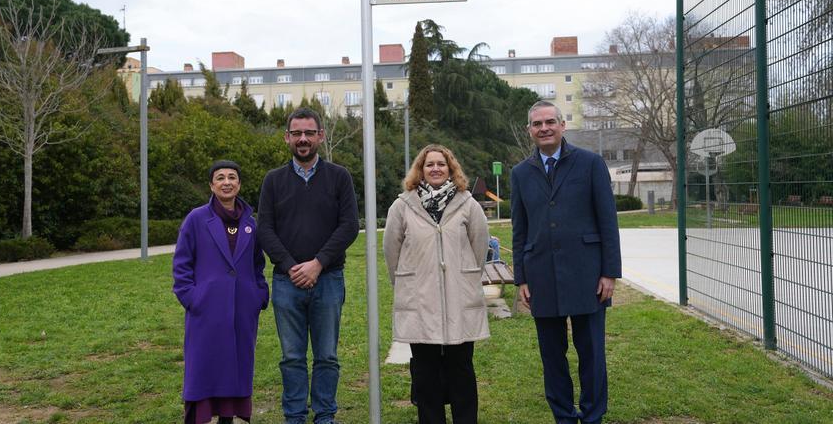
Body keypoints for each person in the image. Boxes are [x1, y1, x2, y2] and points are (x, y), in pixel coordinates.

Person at [510, 100, 622, 424]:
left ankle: (592, 415)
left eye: (550, 122)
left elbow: (608, 221)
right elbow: (519, 229)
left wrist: (609, 273)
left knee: (591, 353)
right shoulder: (520, 173)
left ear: (562, 125)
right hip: (541, 276)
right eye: (537, 124)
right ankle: (563, 415)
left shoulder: (591, 163)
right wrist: (521, 278)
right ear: (529, 130)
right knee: (552, 356)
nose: (544, 128)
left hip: (587, 274)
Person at [257, 107, 359, 424]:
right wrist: (291, 266)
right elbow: (265, 229)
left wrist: (318, 263)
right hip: (286, 283)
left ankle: (325, 416)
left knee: (327, 356)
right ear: (287, 138)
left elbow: (349, 226)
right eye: (297, 133)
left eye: (309, 133)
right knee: (291, 357)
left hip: (328, 280)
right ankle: (295, 417)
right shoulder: (273, 181)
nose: (303, 139)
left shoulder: (339, 177)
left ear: (321, 136)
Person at [383, 144, 490, 424]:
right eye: (429, 164)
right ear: (420, 170)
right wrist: (406, 283)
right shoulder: (402, 205)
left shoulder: (468, 204)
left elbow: (479, 247)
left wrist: (463, 277)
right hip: (419, 299)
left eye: (441, 164)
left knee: (461, 370)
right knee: (425, 373)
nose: (435, 169)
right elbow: (392, 251)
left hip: (459, 299)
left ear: (451, 169)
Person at [172, 160, 269, 424]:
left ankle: (228, 418)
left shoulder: (250, 223)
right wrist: (192, 298)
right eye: (220, 177)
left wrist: (258, 294)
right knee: (203, 367)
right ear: (211, 185)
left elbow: (257, 264)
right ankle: (199, 417)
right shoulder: (196, 219)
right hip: (206, 310)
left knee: (236, 366)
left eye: (232, 177)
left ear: (239, 184)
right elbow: (182, 264)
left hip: (242, 309)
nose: (227, 182)